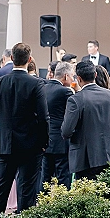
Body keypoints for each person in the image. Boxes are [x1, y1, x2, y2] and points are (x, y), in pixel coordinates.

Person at [0, 43, 49, 214]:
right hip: (31, 144)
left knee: (2, 189)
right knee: (27, 189)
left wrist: (6, 119)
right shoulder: (36, 84)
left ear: (12, 58)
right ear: (29, 60)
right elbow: (43, 117)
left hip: (7, 142)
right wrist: (44, 142)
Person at [61, 60, 110, 179]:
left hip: (85, 158)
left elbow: (66, 132)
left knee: (86, 195)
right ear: (95, 75)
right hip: (109, 154)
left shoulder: (76, 99)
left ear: (78, 78)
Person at [42, 61, 74, 189]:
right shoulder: (66, 92)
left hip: (44, 138)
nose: (73, 79)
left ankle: (41, 202)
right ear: (65, 76)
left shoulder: (42, 88)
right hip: (60, 140)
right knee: (63, 175)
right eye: (72, 76)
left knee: (45, 176)